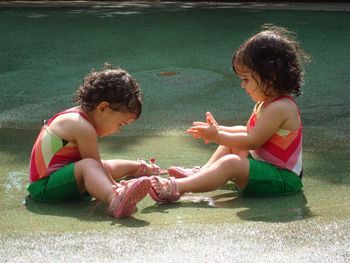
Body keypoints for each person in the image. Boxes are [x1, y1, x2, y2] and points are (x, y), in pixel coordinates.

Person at [149, 25, 310, 202]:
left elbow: (253, 141)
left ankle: (179, 187)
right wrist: (220, 130)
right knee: (231, 145)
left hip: (283, 179)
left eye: (246, 79)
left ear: (270, 77)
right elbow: (248, 132)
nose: (242, 85)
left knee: (231, 163)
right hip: (268, 170)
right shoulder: (266, 103)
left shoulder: (281, 107)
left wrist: (218, 135)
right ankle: (203, 174)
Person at [27, 66, 164, 218]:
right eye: (120, 124)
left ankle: (137, 167)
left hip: (56, 180)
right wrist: (115, 185)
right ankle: (115, 197)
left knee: (98, 165)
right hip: (44, 188)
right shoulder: (83, 127)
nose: (118, 130)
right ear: (103, 108)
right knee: (92, 166)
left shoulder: (78, 115)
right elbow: (94, 166)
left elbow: (99, 167)